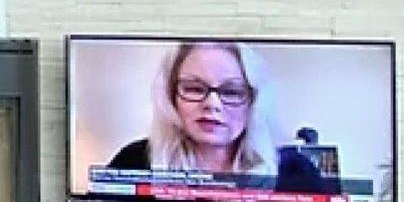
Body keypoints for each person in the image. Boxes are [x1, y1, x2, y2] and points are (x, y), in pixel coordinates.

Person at [108, 41, 277, 180]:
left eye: (231, 92)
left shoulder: (289, 172)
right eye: (194, 89)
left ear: (254, 101)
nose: (212, 104)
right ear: (170, 96)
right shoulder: (133, 161)